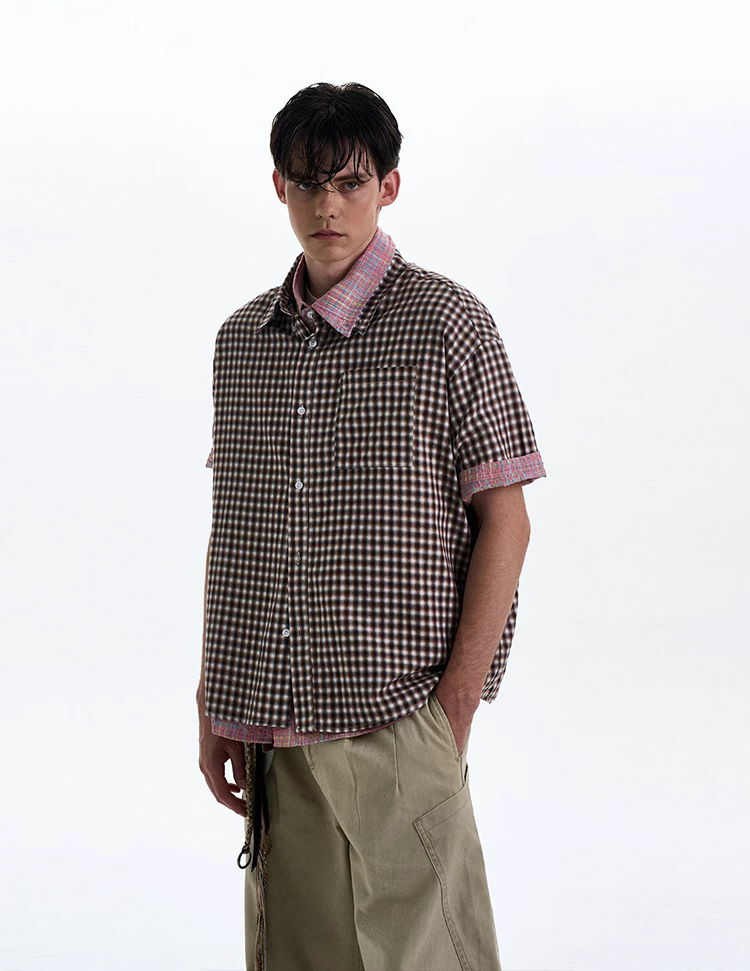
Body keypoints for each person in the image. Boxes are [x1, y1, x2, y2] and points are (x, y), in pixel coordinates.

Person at [197, 81, 547, 971]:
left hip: (399, 717)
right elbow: (237, 531)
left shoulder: (447, 324)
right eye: (308, 183)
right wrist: (215, 697)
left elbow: (506, 521)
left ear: (388, 186)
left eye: (350, 183)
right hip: (272, 723)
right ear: (278, 187)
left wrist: (453, 707)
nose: (328, 206)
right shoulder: (242, 342)